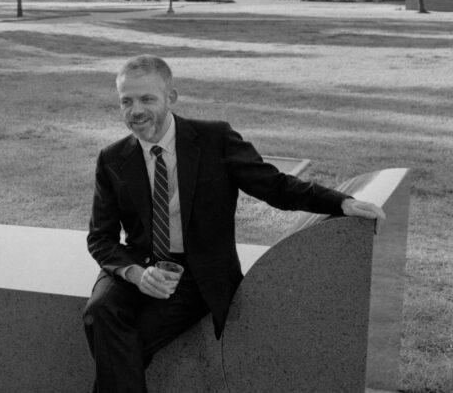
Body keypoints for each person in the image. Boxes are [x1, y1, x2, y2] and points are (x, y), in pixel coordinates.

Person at [83, 54, 385, 393]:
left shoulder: (215, 139)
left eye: (147, 99)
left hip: (197, 273)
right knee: (98, 313)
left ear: (172, 97)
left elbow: (274, 185)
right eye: (126, 101)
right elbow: (100, 237)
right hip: (139, 262)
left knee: (125, 346)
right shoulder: (112, 158)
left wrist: (340, 201)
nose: (135, 111)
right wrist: (136, 274)